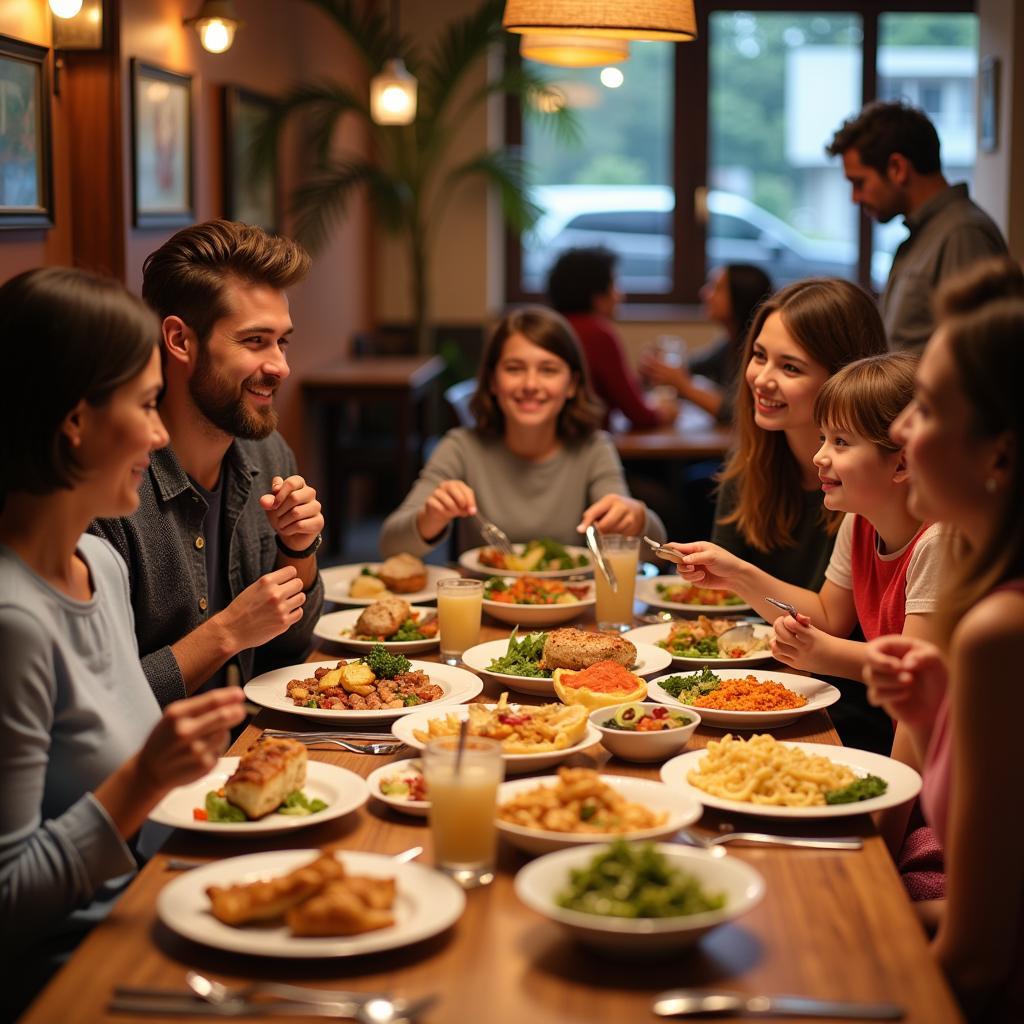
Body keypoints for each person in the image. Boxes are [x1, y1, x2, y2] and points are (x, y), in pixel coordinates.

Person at [0, 268, 245, 1010]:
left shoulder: (100, 565)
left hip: (154, 912)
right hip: (74, 979)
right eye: (146, 405)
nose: (163, 432)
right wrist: (144, 778)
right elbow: (8, 900)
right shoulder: (14, 623)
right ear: (75, 421)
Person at [862, 296, 1024, 1021]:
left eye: (925, 408)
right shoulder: (982, 591)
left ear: (1001, 453)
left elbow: (979, 963)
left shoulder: (1001, 628)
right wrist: (930, 721)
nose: (898, 431)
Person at [91, 221, 325, 707]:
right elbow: (98, 708)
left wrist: (297, 552)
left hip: (251, 745)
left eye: (282, 341)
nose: (280, 366)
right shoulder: (107, 491)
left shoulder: (268, 453)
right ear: (179, 340)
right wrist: (228, 632)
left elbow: (288, 653)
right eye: (255, 341)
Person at [668, 352, 941, 681]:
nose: (819, 456)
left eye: (841, 442)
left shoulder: (937, 544)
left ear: (901, 463)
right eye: (822, 438)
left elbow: (914, 672)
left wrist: (826, 654)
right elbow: (828, 616)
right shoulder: (859, 523)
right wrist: (736, 575)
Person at [380, 305, 666, 557]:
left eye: (548, 370)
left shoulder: (594, 448)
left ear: (571, 385)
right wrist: (430, 517)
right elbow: (390, 545)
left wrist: (636, 519)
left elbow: (651, 551)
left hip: (573, 611)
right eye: (514, 368)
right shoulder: (461, 447)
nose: (530, 384)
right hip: (482, 610)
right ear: (492, 381)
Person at [826, 99, 1007, 351]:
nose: (855, 198)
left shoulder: (962, 234)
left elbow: (976, 356)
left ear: (897, 168)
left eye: (860, 183)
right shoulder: (925, 235)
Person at [547, 246, 676, 430]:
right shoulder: (598, 334)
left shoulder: (551, 327)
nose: (620, 295)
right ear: (597, 296)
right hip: (590, 447)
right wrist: (664, 412)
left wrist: (638, 382)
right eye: (614, 285)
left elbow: (603, 395)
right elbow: (639, 415)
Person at [640, 263, 772, 423]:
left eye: (716, 288)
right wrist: (659, 370)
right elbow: (690, 366)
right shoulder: (731, 343)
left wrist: (683, 385)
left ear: (740, 298)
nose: (704, 293)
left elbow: (738, 412)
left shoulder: (759, 350)